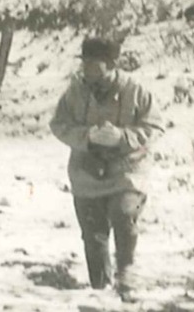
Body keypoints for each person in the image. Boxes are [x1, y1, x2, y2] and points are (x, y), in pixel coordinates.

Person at [50, 37, 163, 294]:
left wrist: (122, 137)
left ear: (112, 65)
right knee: (93, 233)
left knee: (124, 217)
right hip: (86, 172)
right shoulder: (75, 91)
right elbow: (58, 124)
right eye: (85, 63)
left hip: (127, 170)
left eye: (95, 64)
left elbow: (155, 125)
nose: (88, 70)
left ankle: (126, 274)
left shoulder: (134, 90)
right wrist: (86, 136)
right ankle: (99, 288)